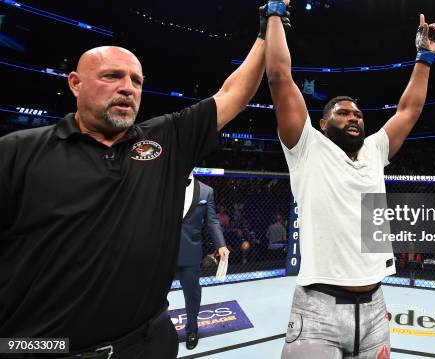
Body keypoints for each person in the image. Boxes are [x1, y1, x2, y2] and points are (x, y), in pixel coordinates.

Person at [0, 37, 265, 358]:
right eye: (112, 76)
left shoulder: (165, 140)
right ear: (75, 83)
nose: (128, 87)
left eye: (136, 80)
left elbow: (232, 95)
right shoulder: (17, 152)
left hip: (146, 344)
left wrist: (270, 23)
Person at [261, 0, 435, 358]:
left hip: (376, 308)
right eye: (343, 113)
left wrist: (424, 56)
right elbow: (278, 76)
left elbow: (409, 109)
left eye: (358, 113)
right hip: (318, 308)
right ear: (324, 123)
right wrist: (276, 10)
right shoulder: (306, 145)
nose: (354, 116)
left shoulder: (376, 150)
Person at [176, 175, 229, 350]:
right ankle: (156, 330)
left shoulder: (206, 191)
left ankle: (192, 329)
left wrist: (221, 244)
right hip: (165, 250)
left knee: (192, 293)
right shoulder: (165, 184)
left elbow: (212, 220)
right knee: (156, 293)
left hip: (191, 251)